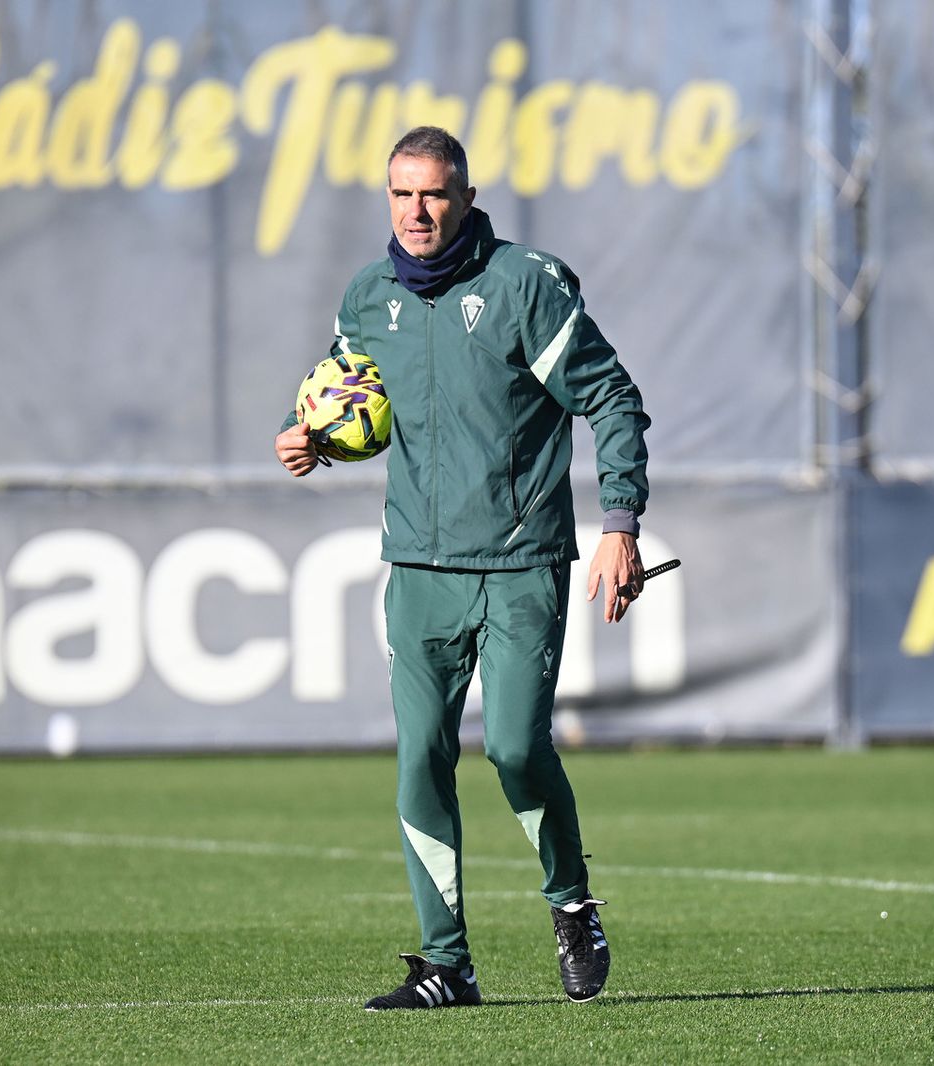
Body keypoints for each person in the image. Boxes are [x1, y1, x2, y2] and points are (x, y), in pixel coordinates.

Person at [274, 126, 650, 1010]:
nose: (417, 211)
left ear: (467, 198)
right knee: (421, 758)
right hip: (420, 568)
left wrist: (620, 522)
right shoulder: (368, 299)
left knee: (515, 748)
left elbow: (611, 397)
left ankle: (571, 905)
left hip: (520, 563)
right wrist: (312, 442)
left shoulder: (524, 285)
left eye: (434, 194)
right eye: (402, 194)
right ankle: (447, 965)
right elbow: (357, 405)